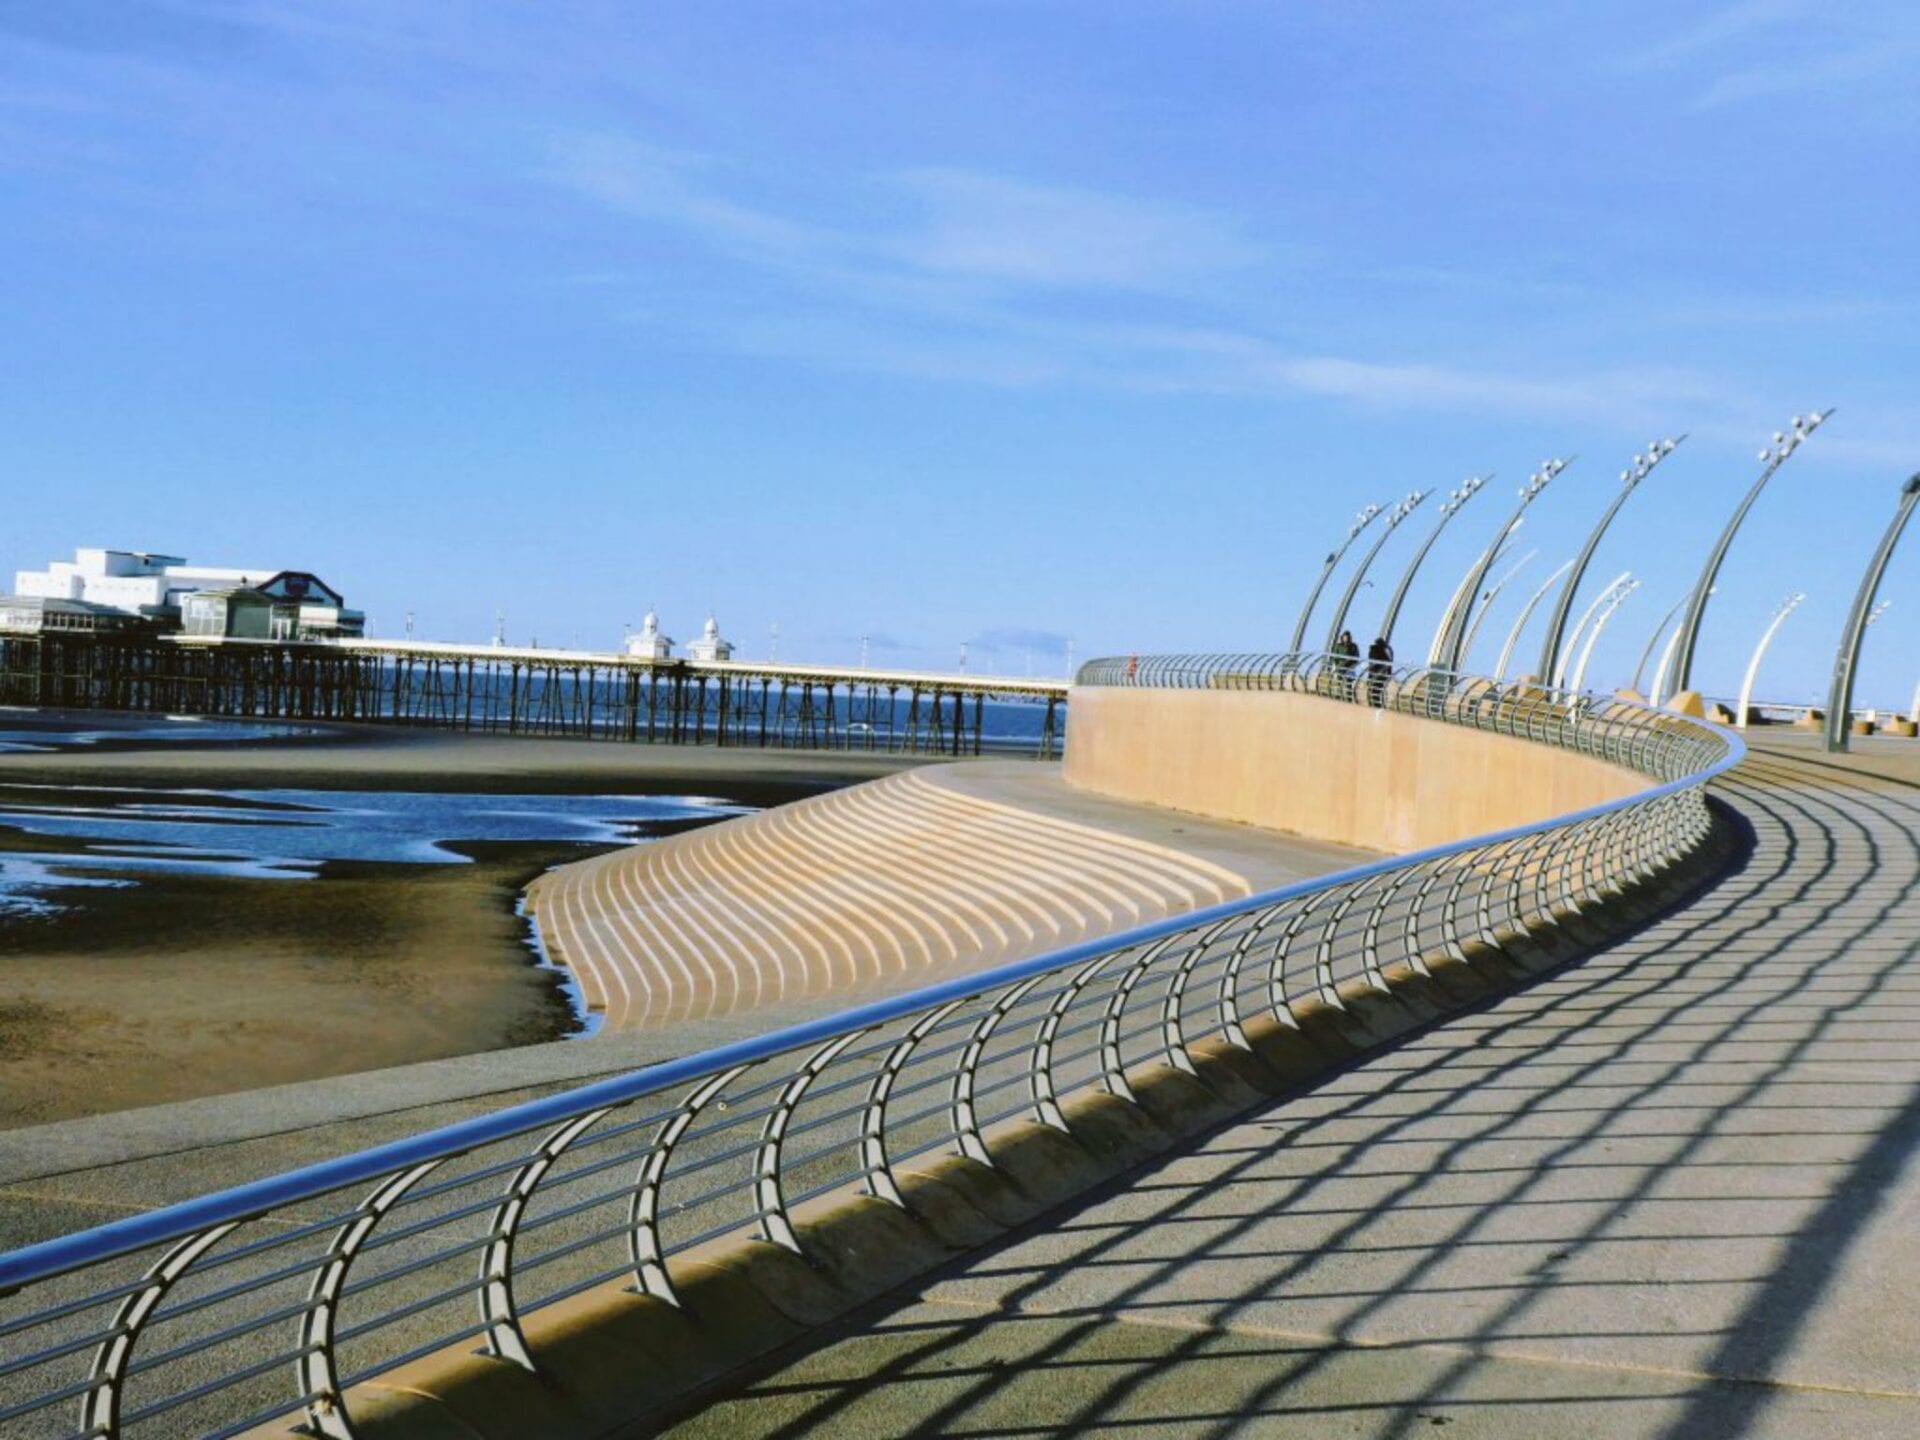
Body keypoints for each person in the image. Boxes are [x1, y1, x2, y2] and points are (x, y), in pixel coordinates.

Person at [1367, 635, 1394, 707]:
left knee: (1375, 690)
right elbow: (1389, 662)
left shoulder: (1374, 649)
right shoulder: (1385, 650)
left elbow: (1372, 663)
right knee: (1378, 690)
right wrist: (1389, 673)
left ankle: (1375, 704)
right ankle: (1377, 704)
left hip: (1376, 673)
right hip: (1381, 673)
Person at [1333, 630, 1360, 699]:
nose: (1346, 638)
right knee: (1339, 682)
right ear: (1342, 637)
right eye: (1345, 637)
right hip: (1340, 667)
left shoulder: (1353, 646)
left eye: (1347, 637)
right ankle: (1338, 696)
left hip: (1349, 668)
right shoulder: (1339, 646)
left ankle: (1349, 697)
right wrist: (1336, 665)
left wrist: (1353, 665)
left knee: (1349, 683)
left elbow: (1356, 657)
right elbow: (1335, 656)